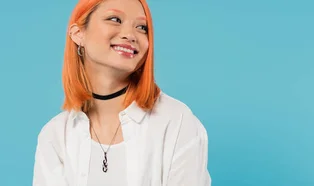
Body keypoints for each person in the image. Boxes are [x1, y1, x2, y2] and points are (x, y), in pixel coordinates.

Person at [32, 0, 211, 185]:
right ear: (79, 34)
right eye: (115, 19)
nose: (130, 35)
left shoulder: (177, 121)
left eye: (141, 27)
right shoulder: (55, 135)